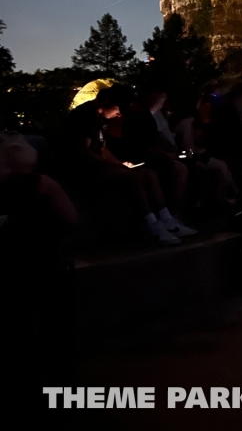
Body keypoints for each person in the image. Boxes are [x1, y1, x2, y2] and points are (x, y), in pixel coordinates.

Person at [0, 133, 78, 414]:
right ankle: (60, 388)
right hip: (45, 266)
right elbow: (71, 217)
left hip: (10, 271)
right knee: (55, 326)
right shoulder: (43, 184)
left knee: (17, 329)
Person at [56, 88, 191, 244]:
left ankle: (166, 219)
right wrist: (113, 166)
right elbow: (84, 152)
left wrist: (120, 163)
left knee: (147, 173)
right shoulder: (84, 115)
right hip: (78, 171)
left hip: (96, 166)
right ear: (107, 102)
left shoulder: (100, 118)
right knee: (133, 177)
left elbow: (102, 149)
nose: (120, 115)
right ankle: (151, 224)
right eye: (119, 110)